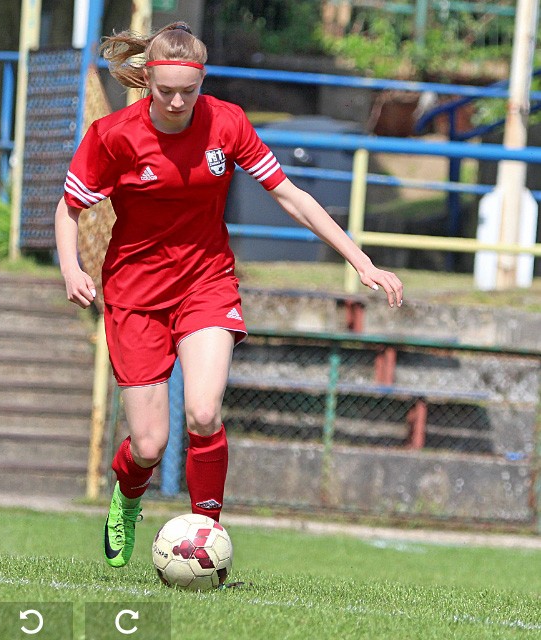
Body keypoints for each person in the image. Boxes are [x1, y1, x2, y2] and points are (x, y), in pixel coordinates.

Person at [54, 22, 403, 568]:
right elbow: (70, 207)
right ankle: (126, 497)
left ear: (202, 82)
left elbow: (292, 196)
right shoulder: (114, 135)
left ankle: (205, 537)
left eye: (186, 92)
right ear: (146, 78)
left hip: (206, 283)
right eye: (163, 89)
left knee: (203, 410)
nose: (174, 101)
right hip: (135, 292)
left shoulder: (227, 123)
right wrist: (71, 268)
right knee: (148, 444)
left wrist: (361, 260)